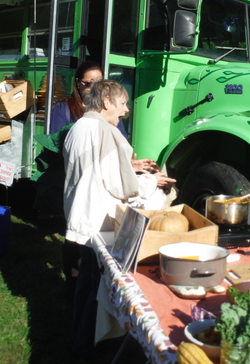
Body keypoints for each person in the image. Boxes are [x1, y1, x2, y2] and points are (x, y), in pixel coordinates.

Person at [63, 80, 175, 357]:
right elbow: (122, 186)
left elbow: (96, 172)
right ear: (107, 102)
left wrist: (132, 168)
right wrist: (152, 181)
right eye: (123, 103)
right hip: (101, 223)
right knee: (96, 292)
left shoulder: (78, 127)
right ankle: (85, 350)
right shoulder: (106, 131)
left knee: (86, 284)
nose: (125, 110)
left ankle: (78, 339)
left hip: (80, 217)